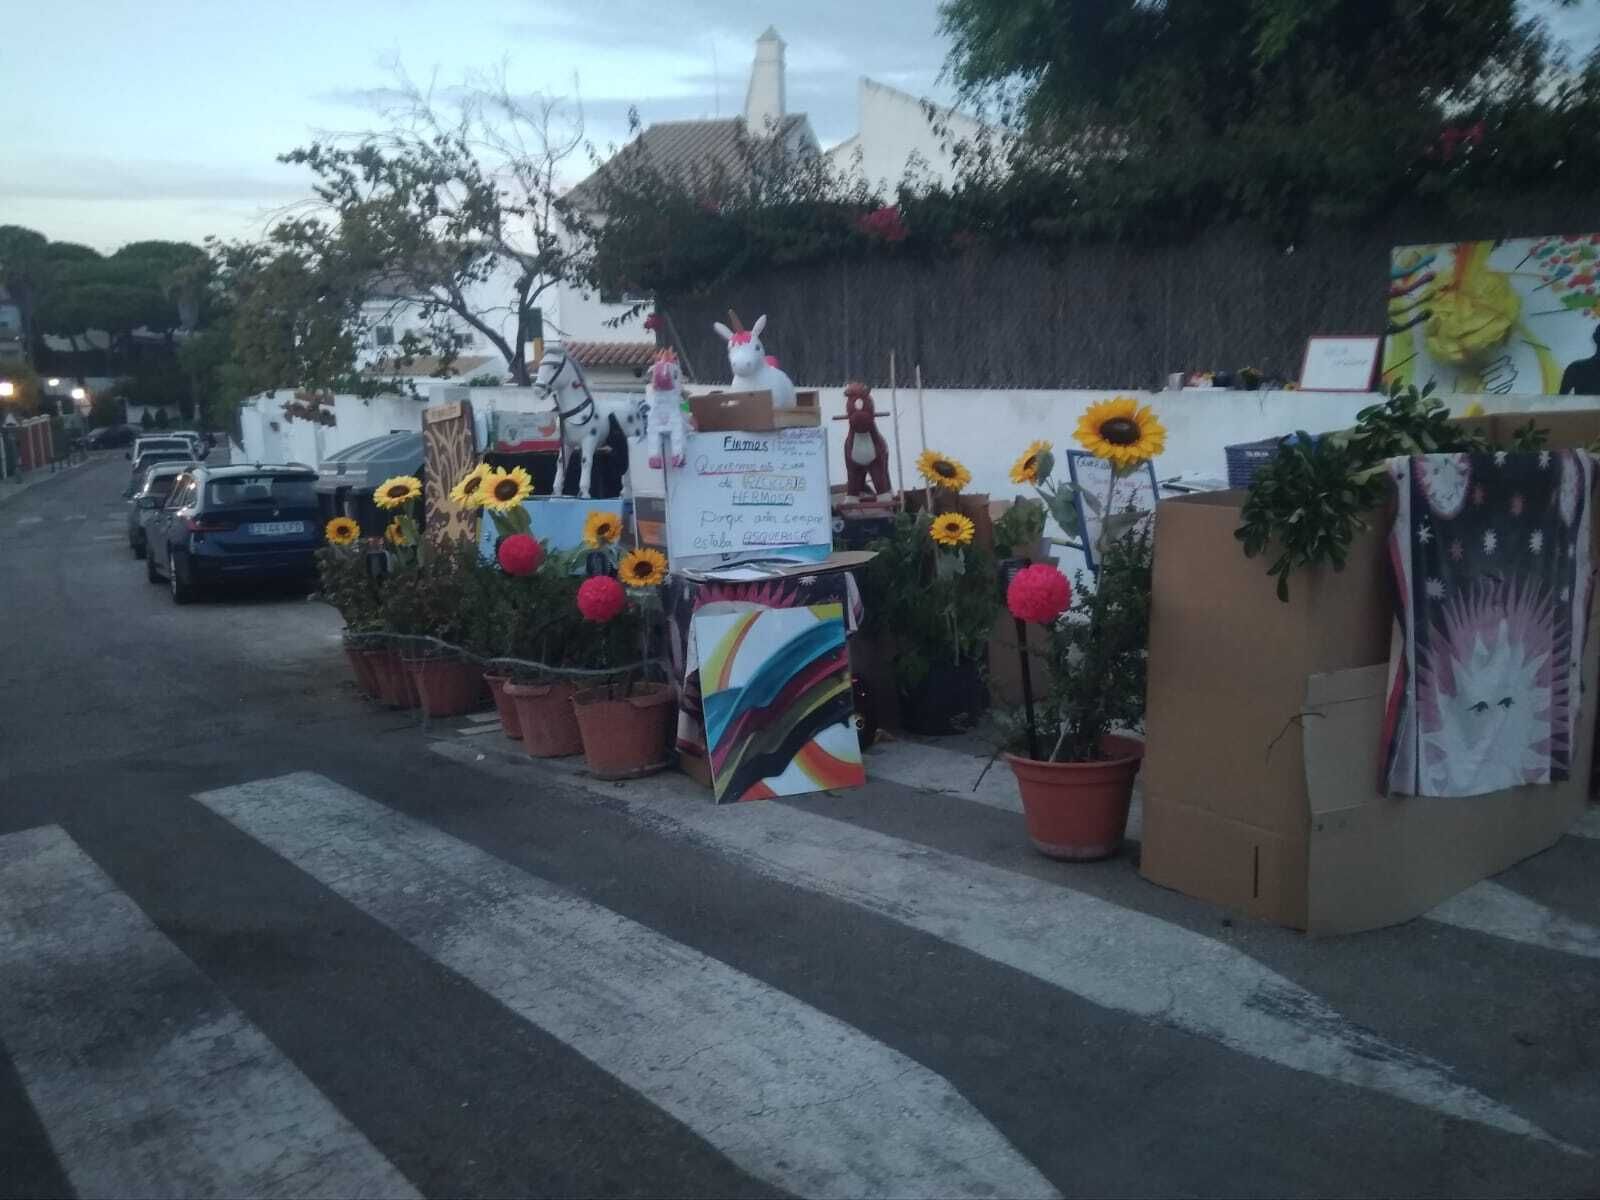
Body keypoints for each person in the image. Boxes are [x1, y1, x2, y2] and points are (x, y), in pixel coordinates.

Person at [1559, 325, 1600, 395]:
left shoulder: (1576, 368)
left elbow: (1559, 402)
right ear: (1596, 338)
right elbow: (1560, 402)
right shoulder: (1576, 368)